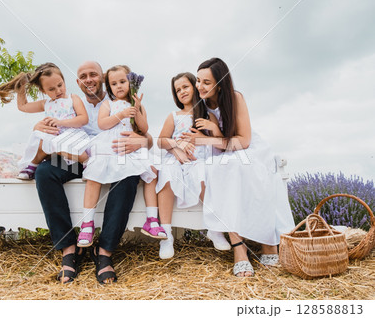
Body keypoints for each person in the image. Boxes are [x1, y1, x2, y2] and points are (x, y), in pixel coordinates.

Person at [33, 61, 153, 284]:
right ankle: (70, 248)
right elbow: (49, 132)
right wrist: (39, 128)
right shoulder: (68, 103)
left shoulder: (120, 101)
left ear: (103, 78)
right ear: (77, 82)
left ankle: (104, 251)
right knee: (45, 172)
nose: (89, 79)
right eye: (83, 76)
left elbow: (147, 136)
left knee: (128, 177)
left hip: (113, 157)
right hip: (77, 159)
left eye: (93, 75)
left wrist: (143, 141)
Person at [183, 57, 295, 277]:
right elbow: (198, 137)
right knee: (215, 170)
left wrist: (209, 137)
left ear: (220, 84)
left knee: (244, 169)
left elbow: (242, 141)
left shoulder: (235, 98)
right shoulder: (200, 104)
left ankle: (268, 243)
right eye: (198, 80)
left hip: (247, 149)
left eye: (206, 82)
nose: (200, 86)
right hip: (220, 150)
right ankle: (239, 248)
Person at [81, 65, 166, 249]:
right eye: (113, 83)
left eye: (122, 81)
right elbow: (102, 124)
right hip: (110, 144)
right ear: (109, 87)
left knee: (152, 171)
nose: (118, 86)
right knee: (93, 175)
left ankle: (151, 219)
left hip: (131, 145)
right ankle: (87, 223)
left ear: (130, 82)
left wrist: (136, 109)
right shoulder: (108, 104)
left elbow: (144, 129)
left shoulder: (137, 104)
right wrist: (120, 114)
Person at [156, 72, 230, 259]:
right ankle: (166, 234)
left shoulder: (207, 115)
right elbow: (161, 141)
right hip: (176, 157)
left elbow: (220, 141)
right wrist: (176, 147)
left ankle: (214, 229)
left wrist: (212, 129)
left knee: (203, 172)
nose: (182, 92)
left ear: (194, 87)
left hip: (199, 158)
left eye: (185, 87)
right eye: (177, 90)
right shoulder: (174, 116)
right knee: (167, 173)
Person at [0, 63, 89, 180]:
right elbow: (23, 106)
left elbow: (83, 119)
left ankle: (88, 164)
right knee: (40, 143)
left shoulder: (72, 98)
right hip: (53, 136)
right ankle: (32, 165)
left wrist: (60, 122)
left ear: (63, 80)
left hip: (71, 134)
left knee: (80, 153)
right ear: (43, 90)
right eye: (51, 89)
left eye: (60, 85)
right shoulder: (46, 104)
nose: (58, 90)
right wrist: (21, 87)